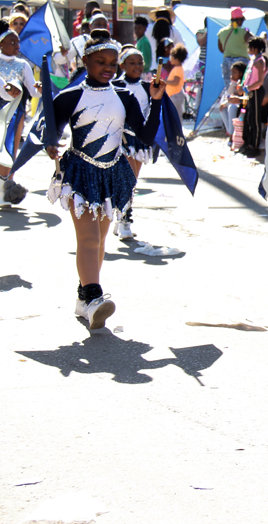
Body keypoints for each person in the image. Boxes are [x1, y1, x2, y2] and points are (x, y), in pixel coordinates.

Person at [45, 30, 164, 329]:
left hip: (112, 172)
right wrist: (50, 145)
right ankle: (94, 297)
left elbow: (146, 136)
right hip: (80, 172)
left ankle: (85, 300)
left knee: (99, 242)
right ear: (85, 61)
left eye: (113, 62)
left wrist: (157, 101)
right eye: (101, 62)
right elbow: (51, 131)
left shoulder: (124, 96)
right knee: (88, 238)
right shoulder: (69, 97)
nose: (108, 67)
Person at [114, 46, 154, 239]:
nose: (137, 66)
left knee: (131, 182)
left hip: (137, 141)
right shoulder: (115, 86)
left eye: (139, 63)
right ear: (122, 65)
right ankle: (122, 219)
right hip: (116, 140)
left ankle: (122, 218)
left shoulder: (148, 87)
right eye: (132, 63)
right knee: (123, 181)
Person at [0, 21, 41, 206]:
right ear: (1, 44)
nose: (17, 46)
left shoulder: (23, 64)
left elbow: (33, 92)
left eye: (18, 42)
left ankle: (4, 192)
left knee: (10, 150)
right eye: (12, 42)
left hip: (15, 114)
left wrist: (40, 88)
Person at [237, 36, 268, 158]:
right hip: (250, 91)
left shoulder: (260, 61)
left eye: (250, 47)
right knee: (248, 117)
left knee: (255, 119)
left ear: (255, 48)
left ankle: (254, 145)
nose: (248, 49)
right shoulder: (253, 60)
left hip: (255, 91)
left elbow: (260, 81)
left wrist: (248, 88)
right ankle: (248, 143)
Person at [217, 7, 253, 89]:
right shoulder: (243, 32)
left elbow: (221, 49)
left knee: (229, 88)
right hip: (241, 63)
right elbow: (253, 42)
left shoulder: (222, 32)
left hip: (226, 62)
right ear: (240, 20)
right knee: (242, 89)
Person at [164, 43, 188, 118]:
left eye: (171, 56)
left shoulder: (177, 69)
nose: (170, 58)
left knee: (176, 116)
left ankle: (178, 129)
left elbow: (175, 82)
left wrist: (165, 81)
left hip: (176, 95)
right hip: (174, 95)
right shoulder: (177, 68)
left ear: (176, 59)